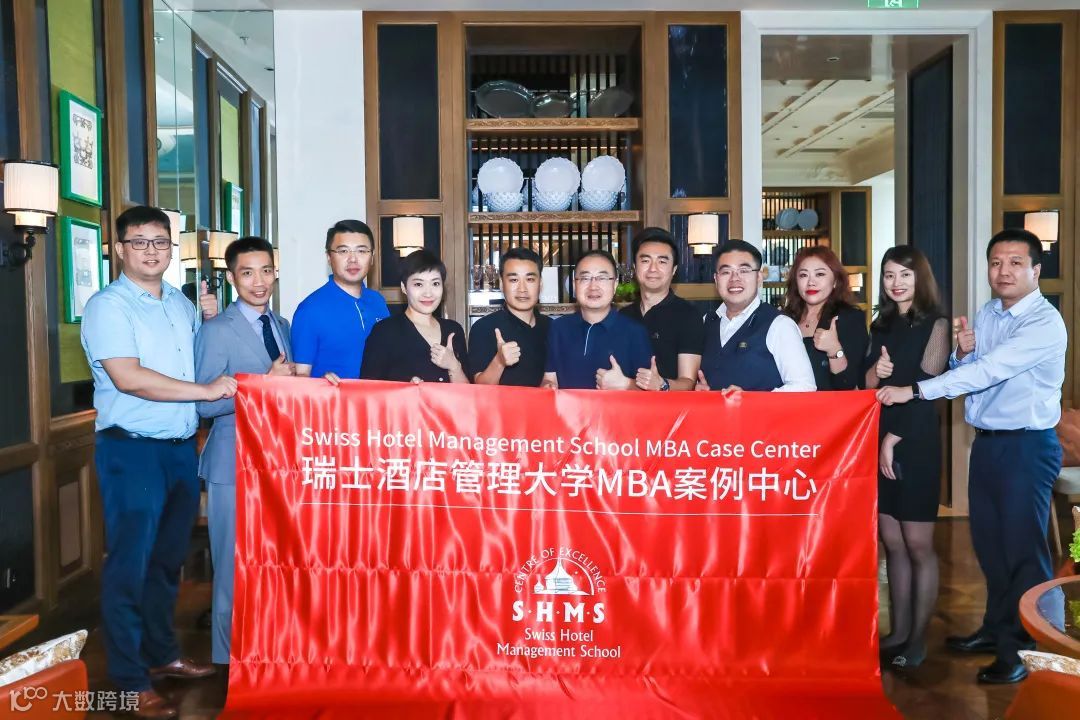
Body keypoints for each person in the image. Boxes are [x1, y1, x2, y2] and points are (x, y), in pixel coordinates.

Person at [879, 229, 1068, 684]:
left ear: (1036, 270)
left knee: (1023, 552)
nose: (1003, 271)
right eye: (996, 263)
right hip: (988, 443)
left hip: (1026, 445)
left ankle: (1022, 650)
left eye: (1015, 263)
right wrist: (962, 354)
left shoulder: (1043, 322)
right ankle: (995, 629)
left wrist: (914, 390)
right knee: (989, 546)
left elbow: (991, 370)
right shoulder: (989, 313)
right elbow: (969, 371)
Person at [80, 206, 236, 720]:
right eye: (139, 241)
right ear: (119, 249)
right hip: (132, 450)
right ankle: (129, 680)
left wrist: (210, 323)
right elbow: (129, 377)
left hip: (178, 450)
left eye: (160, 242)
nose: (151, 251)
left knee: (167, 563)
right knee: (130, 564)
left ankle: (162, 653)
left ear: (172, 249)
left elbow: (193, 360)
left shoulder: (180, 303)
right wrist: (206, 390)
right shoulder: (108, 306)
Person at [194, 236, 294, 668]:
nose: (259, 281)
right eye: (248, 273)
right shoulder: (217, 329)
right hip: (232, 461)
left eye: (266, 271)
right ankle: (227, 660)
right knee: (232, 564)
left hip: (276, 463)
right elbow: (203, 404)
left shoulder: (282, 324)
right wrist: (263, 384)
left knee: (272, 561)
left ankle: (266, 649)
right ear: (232, 278)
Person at [863, 246, 949, 671]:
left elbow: (928, 390)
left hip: (915, 440)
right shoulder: (880, 324)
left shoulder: (937, 324)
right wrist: (874, 374)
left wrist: (892, 440)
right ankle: (897, 632)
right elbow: (865, 384)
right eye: (889, 275)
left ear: (921, 278)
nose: (895, 283)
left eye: (905, 275)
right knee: (892, 542)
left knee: (917, 544)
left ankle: (917, 638)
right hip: (880, 435)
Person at [697, 239, 815, 392]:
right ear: (716, 279)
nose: (734, 278)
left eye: (744, 271)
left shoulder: (780, 325)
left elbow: (804, 386)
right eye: (726, 272)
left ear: (759, 278)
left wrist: (751, 400)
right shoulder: (706, 321)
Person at [291, 220, 389, 379]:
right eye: (343, 251)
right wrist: (321, 383)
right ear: (329, 257)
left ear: (372, 257)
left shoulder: (378, 301)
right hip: (332, 396)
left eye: (361, 251)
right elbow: (301, 376)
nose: (353, 259)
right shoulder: (310, 310)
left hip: (379, 395)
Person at [543, 249, 653, 390]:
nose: (593, 286)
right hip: (568, 406)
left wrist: (626, 384)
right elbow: (549, 378)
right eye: (585, 278)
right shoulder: (559, 327)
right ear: (574, 285)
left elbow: (649, 393)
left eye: (602, 278)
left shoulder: (635, 332)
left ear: (614, 285)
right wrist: (547, 386)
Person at [361, 249, 470, 383]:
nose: (428, 293)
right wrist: (406, 389)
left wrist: (454, 366)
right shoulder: (384, 331)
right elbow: (368, 389)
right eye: (418, 284)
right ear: (404, 287)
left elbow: (469, 393)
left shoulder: (453, 330)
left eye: (435, 283)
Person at [619, 227, 704, 391]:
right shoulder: (623, 316)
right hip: (625, 405)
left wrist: (662, 384)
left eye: (662, 262)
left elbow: (688, 382)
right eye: (645, 261)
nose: (653, 269)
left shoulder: (688, 315)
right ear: (635, 267)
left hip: (668, 407)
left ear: (674, 270)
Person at [780, 245, 868, 391]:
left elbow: (848, 384)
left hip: (830, 405)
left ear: (835, 281)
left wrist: (834, 350)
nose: (811, 282)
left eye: (820, 274)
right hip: (789, 403)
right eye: (803, 275)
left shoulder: (850, 319)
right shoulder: (784, 320)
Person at [469, 247, 551, 387]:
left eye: (530, 279)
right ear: (502, 284)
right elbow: (480, 388)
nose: (522, 289)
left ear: (540, 284)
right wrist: (499, 361)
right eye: (514, 280)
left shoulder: (552, 327)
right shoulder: (484, 327)